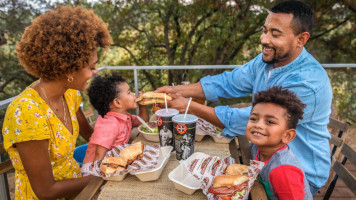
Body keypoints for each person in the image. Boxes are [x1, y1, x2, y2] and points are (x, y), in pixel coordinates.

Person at [156, 0, 332, 194]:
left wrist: (188, 107)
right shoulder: (267, 61)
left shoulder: (307, 83)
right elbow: (228, 82)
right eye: (264, 30)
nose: (264, 39)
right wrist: (178, 91)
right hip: (261, 160)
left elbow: (247, 120)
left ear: (301, 39)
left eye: (275, 34)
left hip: (296, 175)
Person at [1, 6, 112, 199]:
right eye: (91, 67)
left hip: (77, 187)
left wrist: (119, 144)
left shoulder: (70, 95)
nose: (95, 72)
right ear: (69, 69)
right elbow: (45, 191)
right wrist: (108, 174)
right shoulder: (26, 112)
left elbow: (90, 135)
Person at [246, 86, 312, 199]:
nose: (258, 125)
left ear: (287, 136)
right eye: (253, 119)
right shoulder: (257, 147)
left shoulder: (283, 171)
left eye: (270, 122)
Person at [82, 73, 148, 163]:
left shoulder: (124, 117)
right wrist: (97, 176)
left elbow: (142, 121)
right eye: (129, 92)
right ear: (117, 102)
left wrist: (142, 105)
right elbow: (99, 156)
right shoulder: (109, 125)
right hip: (95, 170)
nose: (134, 94)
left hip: (113, 162)